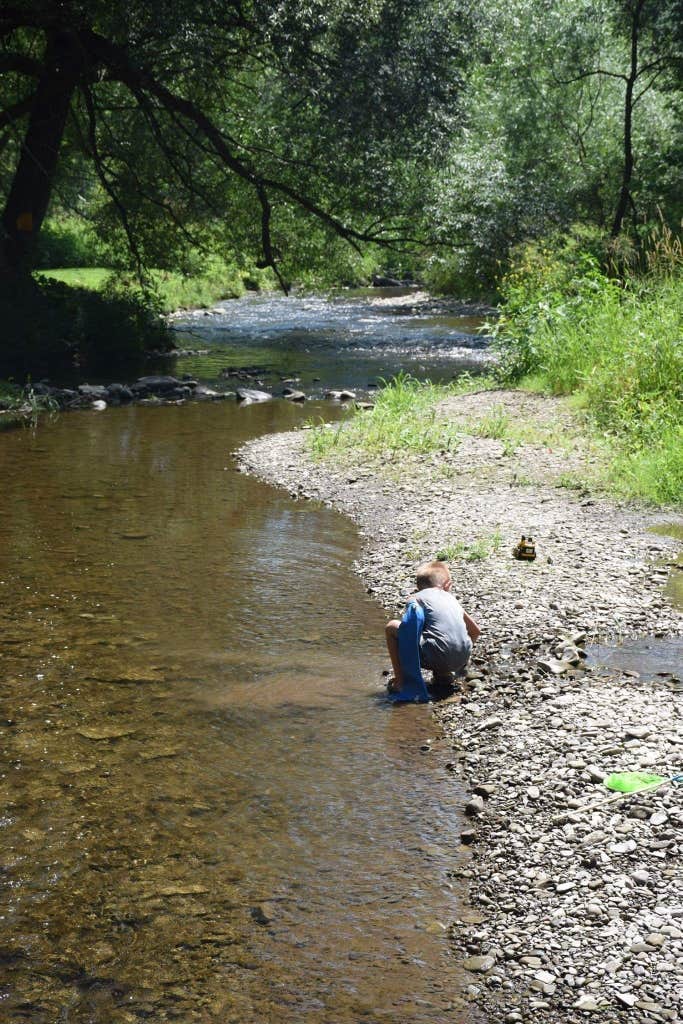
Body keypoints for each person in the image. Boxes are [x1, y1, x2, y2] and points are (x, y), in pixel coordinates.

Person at [385, 560, 480, 694]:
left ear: (418, 586)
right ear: (448, 585)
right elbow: (476, 631)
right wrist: (460, 656)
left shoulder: (416, 598)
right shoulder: (452, 599)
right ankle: (444, 675)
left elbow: (411, 629)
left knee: (391, 627)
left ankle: (400, 682)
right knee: (439, 633)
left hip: (437, 656)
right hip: (461, 659)